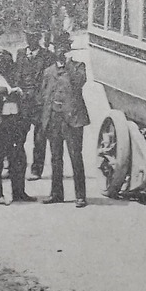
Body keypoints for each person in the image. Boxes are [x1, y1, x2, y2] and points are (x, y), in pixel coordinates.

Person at [39, 36, 90, 207]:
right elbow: (45, 97)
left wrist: (68, 64)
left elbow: (79, 82)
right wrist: (45, 120)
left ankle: (80, 195)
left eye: (64, 48)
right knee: (55, 158)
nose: (60, 51)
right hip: (54, 119)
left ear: (69, 49)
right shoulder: (48, 72)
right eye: (57, 48)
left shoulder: (78, 67)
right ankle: (56, 193)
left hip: (73, 120)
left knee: (76, 157)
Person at [0, 44, 33, 205]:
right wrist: (8, 91)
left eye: (0, 60)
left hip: (13, 122)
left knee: (18, 159)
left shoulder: (10, 77)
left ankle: (19, 192)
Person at [14, 27, 53, 181]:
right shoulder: (21, 54)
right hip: (23, 103)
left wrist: (42, 98)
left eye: (34, 37)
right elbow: (16, 76)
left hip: (39, 104)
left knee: (39, 139)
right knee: (18, 138)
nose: (31, 40)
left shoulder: (48, 56)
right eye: (28, 36)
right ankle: (15, 168)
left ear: (39, 38)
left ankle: (36, 170)